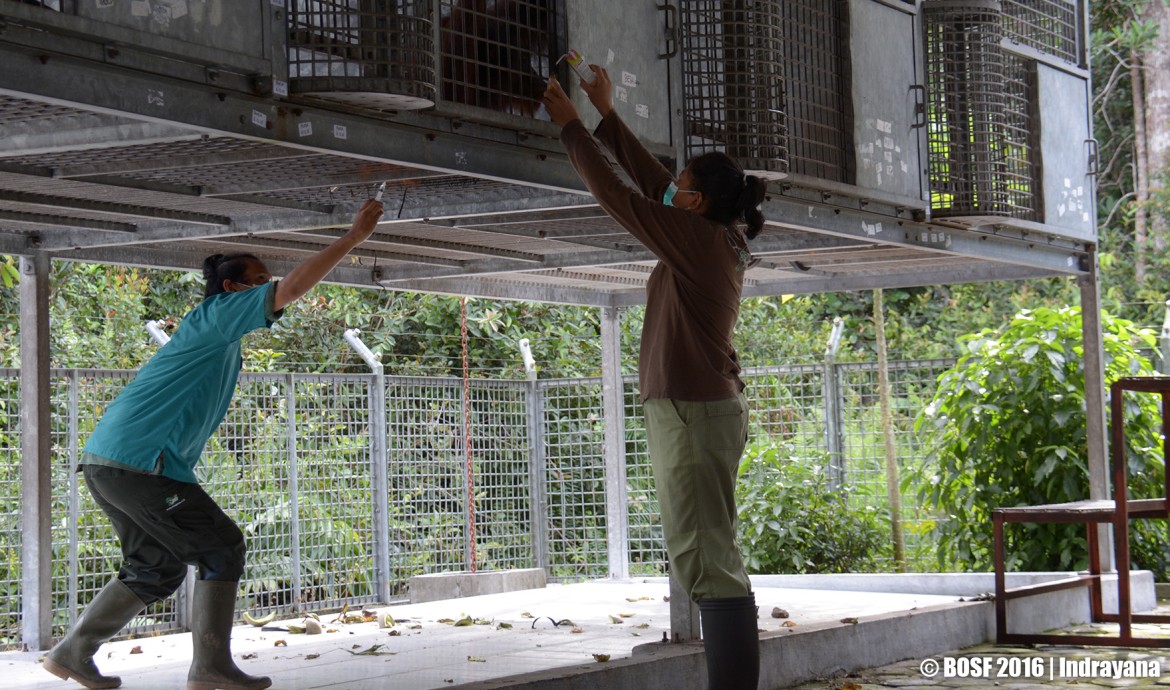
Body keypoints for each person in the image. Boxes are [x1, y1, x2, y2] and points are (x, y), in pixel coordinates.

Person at [43, 199, 385, 690]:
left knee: (154, 567)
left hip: (110, 464)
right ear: (231, 289)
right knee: (223, 547)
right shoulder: (218, 314)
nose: (269, 288)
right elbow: (291, 288)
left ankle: (72, 653)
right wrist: (353, 238)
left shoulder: (214, 332)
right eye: (259, 281)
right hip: (142, 464)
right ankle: (210, 669)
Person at [542, 70, 766, 689]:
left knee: (705, 557)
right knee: (707, 551)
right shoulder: (712, 232)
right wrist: (606, 116)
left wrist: (572, 128)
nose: (675, 190)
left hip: (693, 411)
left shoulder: (700, 241)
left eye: (684, 186)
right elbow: (657, 187)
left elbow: (623, 199)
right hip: (697, 408)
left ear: (698, 202)